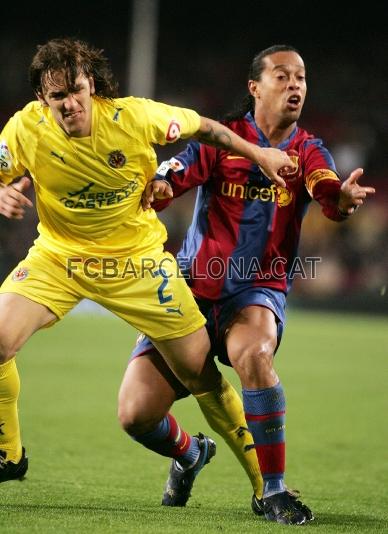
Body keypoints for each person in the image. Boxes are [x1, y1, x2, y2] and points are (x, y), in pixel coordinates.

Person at [0, 37, 296, 488]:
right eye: (57, 96)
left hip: (137, 264)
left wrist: (260, 154)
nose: (69, 104)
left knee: (199, 373)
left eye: (76, 90)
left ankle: (266, 487)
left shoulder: (135, 117)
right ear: (42, 98)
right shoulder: (24, 129)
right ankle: (9, 455)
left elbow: (208, 130)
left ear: (92, 85)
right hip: (59, 258)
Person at [122, 45, 376, 525]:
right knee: (135, 415)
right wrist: (156, 185)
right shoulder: (223, 140)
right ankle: (191, 453)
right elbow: (172, 176)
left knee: (255, 355)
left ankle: (273, 491)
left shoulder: (308, 150)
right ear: (255, 87)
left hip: (256, 291)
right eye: (283, 76)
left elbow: (327, 192)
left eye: (301, 77)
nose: (296, 85)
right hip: (192, 291)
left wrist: (341, 199)